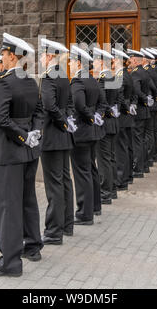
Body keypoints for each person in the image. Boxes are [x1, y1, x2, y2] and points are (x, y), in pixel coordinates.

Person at [0, 33, 44, 277]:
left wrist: (22, 135)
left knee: (8, 204)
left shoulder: (4, 82)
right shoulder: (30, 80)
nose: (2, 58)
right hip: (29, 150)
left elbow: (1, 119)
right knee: (27, 199)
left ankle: (10, 262)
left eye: (3, 55)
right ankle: (32, 247)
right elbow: (40, 112)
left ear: (12, 56)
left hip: (11, 151)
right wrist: (33, 134)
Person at [39, 38, 75, 245]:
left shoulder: (50, 77)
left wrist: (62, 122)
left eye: (43, 55)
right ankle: (67, 224)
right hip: (64, 135)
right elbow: (69, 103)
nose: (41, 59)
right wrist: (67, 121)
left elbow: (49, 106)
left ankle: (54, 231)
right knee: (65, 181)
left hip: (52, 136)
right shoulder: (63, 75)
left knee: (54, 185)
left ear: (50, 56)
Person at [69, 45, 106, 224]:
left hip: (81, 133)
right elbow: (102, 103)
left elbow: (79, 105)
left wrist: (91, 117)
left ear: (78, 63)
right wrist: (96, 117)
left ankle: (85, 213)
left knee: (82, 172)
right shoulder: (92, 80)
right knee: (91, 169)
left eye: (71, 62)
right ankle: (95, 206)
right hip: (92, 131)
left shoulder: (78, 82)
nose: (69, 65)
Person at [93, 47, 120, 204]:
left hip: (105, 123)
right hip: (113, 123)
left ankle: (105, 193)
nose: (93, 63)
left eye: (95, 61)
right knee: (111, 158)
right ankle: (113, 189)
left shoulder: (103, 79)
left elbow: (102, 103)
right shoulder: (113, 77)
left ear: (102, 62)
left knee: (104, 160)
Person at [112, 49, 137, 190]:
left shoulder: (120, 75)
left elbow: (119, 96)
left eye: (114, 59)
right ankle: (128, 176)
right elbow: (133, 94)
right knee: (127, 147)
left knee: (120, 149)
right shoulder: (127, 74)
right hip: (127, 116)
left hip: (122, 116)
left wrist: (123, 108)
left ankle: (121, 179)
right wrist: (130, 106)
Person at [127, 49, 153, 178]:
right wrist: (147, 99)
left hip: (139, 111)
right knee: (142, 140)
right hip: (145, 110)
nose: (129, 62)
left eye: (131, 60)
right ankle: (144, 165)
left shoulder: (135, 74)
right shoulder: (144, 71)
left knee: (137, 141)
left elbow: (136, 90)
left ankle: (138, 168)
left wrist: (144, 99)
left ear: (136, 61)